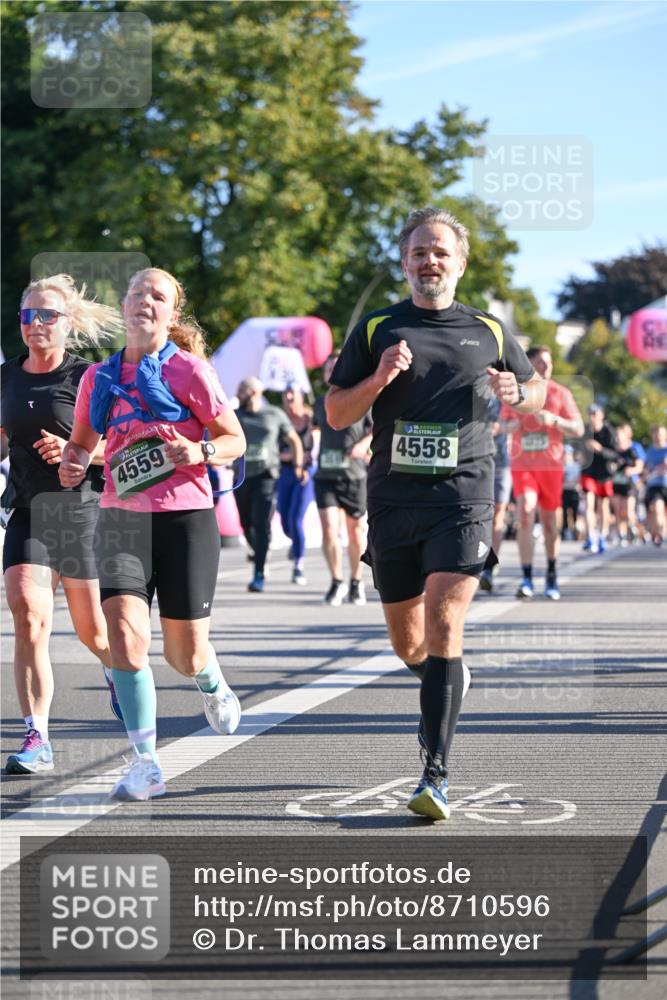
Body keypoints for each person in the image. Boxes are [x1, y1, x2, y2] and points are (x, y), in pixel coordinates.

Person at [325, 206, 545, 820]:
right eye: (419, 252)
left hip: (464, 496)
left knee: (446, 616)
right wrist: (379, 379)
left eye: (441, 252)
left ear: (460, 262)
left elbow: (537, 392)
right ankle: (441, 678)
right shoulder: (375, 330)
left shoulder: (491, 331)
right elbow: (338, 413)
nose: (430, 261)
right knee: (409, 643)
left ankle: (435, 774)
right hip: (394, 500)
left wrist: (519, 392)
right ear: (404, 262)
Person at [60, 267, 246, 801]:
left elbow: (233, 439)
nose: (146, 301)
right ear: (124, 305)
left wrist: (201, 451)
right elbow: (81, 444)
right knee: (125, 637)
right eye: (138, 292)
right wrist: (75, 465)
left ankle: (209, 678)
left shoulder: (189, 370)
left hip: (185, 518)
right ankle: (146, 764)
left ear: (171, 313)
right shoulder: (98, 378)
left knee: (183, 654)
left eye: (158, 296)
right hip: (120, 516)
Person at [2, 273, 123, 775]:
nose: (36, 324)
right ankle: (38, 737)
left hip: (80, 512)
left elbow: (124, 447)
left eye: (47, 315)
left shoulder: (90, 377)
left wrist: (80, 453)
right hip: (28, 509)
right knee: (28, 615)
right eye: (28, 315)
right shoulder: (6, 376)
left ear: (67, 322)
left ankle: (118, 671)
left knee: (93, 630)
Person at [501, 345, 583, 600]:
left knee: (549, 523)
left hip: (551, 467)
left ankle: (551, 573)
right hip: (523, 466)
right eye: (540, 362)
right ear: (529, 365)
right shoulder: (518, 394)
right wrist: (513, 424)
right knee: (525, 513)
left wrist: (555, 420)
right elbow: (502, 424)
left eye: (548, 363)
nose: (546, 366)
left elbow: (578, 428)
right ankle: (526, 578)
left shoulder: (561, 393)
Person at [233, 376, 304, 592]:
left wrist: (298, 463)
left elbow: (294, 440)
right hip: (242, 477)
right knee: (246, 525)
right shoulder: (235, 417)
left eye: (241, 390)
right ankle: (258, 551)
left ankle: (259, 574)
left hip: (267, 476)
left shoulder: (274, 414)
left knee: (261, 523)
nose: (237, 395)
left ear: (254, 393)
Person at [314, 352, 372, 606]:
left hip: (354, 474)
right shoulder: (319, 402)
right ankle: (336, 581)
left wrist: (363, 445)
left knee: (355, 531)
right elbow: (314, 430)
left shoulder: (361, 398)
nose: (330, 372)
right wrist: (306, 449)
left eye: (335, 368)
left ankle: (356, 582)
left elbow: (376, 427)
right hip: (326, 474)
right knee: (329, 528)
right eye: (328, 368)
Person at [277, 385, 318, 585]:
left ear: (302, 397)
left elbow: (316, 447)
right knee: (285, 522)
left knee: (296, 519)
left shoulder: (311, 418)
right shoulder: (281, 420)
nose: (289, 398)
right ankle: (295, 544)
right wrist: (293, 456)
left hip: (306, 473)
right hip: (284, 472)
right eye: (286, 395)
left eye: (293, 394)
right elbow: (275, 450)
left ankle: (298, 566)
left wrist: (302, 459)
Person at [478, 395, 511, 592]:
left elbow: (520, 421)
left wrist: (502, 428)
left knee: (498, 515)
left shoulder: (507, 394)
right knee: (479, 514)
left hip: (502, 463)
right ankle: (475, 562)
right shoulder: (475, 388)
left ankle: (490, 567)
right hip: (477, 460)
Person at [580, 403, 616, 553]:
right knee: (588, 504)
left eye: (595, 414)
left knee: (603, 506)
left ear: (602, 415)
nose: (592, 417)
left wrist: (600, 449)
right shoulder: (585, 431)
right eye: (590, 414)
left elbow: (615, 454)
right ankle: (591, 535)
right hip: (588, 471)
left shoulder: (608, 431)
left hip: (604, 474)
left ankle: (602, 535)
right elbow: (577, 449)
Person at [611, 423, 643, 546]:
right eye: (616, 436)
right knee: (618, 510)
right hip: (617, 483)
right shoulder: (613, 451)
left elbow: (639, 467)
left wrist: (631, 470)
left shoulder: (633, 450)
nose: (618, 438)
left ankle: (636, 531)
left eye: (620, 435)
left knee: (629, 511)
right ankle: (622, 535)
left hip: (629, 483)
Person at [644, 424, 667, 546]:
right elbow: (646, 467)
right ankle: (660, 534)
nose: (658, 436)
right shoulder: (650, 451)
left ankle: (662, 532)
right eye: (656, 433)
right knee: (658, 509)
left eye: (661, 433)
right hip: (655, 485)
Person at [561, 444, 582, 540]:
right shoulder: (561, 467)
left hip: (574, 491)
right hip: (564, 491)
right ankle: (565, 530)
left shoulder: (577, 466)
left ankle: (574, 530)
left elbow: (580, 479)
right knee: (564, 512)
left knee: (574, 512)